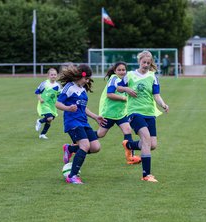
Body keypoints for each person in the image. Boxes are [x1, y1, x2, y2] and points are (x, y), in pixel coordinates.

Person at [117, 50, 169, 183]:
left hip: (150, 113)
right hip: (135, 112)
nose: (146, 65)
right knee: (146, 139)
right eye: (143, 62)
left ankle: (129, 145)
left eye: (148, 62)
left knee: (152, 145)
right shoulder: (130, 75)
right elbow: (118, 87)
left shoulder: (153, 76)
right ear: (139, 61)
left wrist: (163, 104)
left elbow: (156, 95)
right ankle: (146, 175)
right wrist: (127, 89)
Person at [55, 64, 106, 184]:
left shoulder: (83, 90)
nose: (87, 81)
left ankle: (70, 148)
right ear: (79, 75)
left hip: (84, 122)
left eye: (88, 79)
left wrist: (95, 117)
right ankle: (72, 176)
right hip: (72, 122)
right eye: (86, 78)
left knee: (95, 147)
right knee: (85, 146)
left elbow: (83, 108)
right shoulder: (69, 87)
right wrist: (68, 108)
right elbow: (57, 104)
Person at [97, 61, 141, 165]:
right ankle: (78, 143)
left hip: (121, 113)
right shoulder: (113, 79)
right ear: (115, 71)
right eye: (119, 70)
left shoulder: (125, 80)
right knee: (100, 134)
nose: (122, 72)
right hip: (109, 113)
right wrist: (123, 98)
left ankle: (131, 157)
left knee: (127, 130)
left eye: (123, 70)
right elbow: (109, 94)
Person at [34, 68, 62, 139]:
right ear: (48, 76)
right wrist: (40, 99)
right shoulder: (44, 83)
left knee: (50, 121)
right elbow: (38, 92)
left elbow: (59, 95)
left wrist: (60, 102)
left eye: (55, 74)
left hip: (52, 105)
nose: (53, 76)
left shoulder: (58, 86)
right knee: (49, 118)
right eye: (52, 75)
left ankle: (42, 134)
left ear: (57, 76)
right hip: (44, 104)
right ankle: (39, 121)